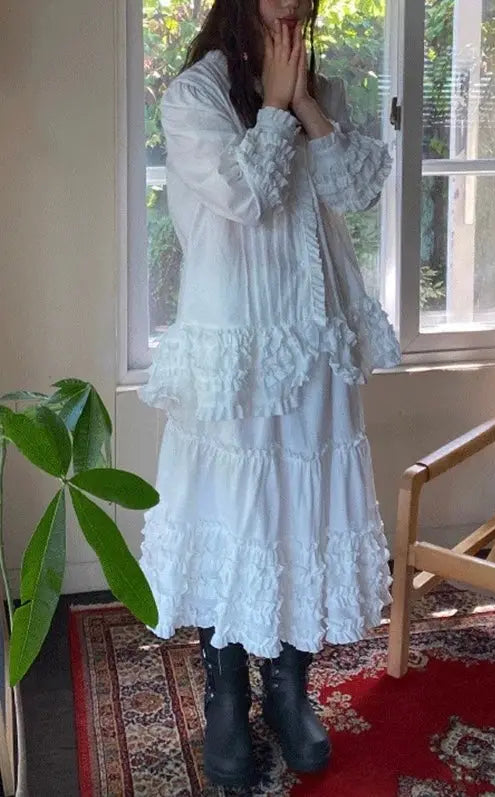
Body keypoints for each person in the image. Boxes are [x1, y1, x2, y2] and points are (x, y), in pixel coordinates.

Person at [137, 0, 401, 788]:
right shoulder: (195, 94)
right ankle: (226, 691)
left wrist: (306, 101)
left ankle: (288, 685)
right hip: (236, 346)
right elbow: (245, 196)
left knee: (299, 514)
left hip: (314, 340)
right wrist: (277, 108)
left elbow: (356, 189)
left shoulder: (328, 87)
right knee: (233, 508)